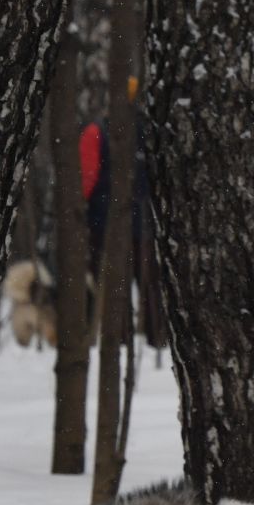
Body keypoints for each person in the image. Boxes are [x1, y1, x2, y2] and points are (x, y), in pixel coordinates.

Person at [80, 76, 161, 347]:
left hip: (106, 224)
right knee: (151, 287)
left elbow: (86, 180)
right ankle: (157, 338)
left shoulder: (97, 132)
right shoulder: (151, 131)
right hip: (146, 224)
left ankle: (120, 339)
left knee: (116, 287)